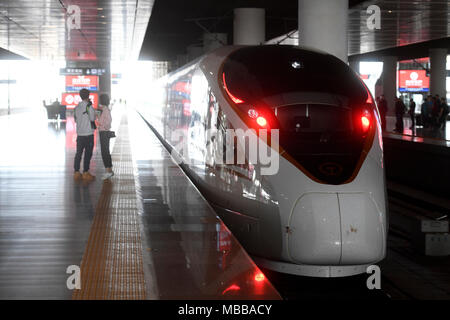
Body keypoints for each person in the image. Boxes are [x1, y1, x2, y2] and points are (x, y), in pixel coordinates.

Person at [73, 88, 96, 181]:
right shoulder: (89, 107)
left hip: (80, 135)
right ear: (88, 96)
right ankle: (86, 172)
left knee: (78, 153)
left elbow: (75, 119)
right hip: (88, 134)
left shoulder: (76, 107)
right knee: (88, 154)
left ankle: (76, 172)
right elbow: (92, 118)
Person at [97, 93, 114, 180]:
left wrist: (101, 124)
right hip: (103, 132)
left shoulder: (106, 110)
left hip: (104, 132)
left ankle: (109, 171)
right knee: (105, 151)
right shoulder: (104, 109)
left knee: (105, 152)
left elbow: (108, 122)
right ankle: (109, 170)